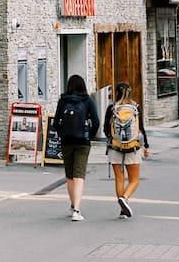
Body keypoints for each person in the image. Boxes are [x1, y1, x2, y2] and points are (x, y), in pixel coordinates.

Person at [53, 74, 100, 221]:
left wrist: (62, 134)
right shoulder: (88, 100)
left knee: (70, 176)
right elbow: (96, 122)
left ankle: (73, 205)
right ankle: (77, 210)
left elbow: (55, 122)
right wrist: (89, 136)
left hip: (66, 141)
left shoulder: (63, 100)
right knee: (79, 176)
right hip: (82, 142)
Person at [103, 82, 150, 218]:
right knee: (134, 179)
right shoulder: (135, 108)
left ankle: (123, 209)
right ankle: (125, 198)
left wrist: (113, 139)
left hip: (115, 146)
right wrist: (146, 146)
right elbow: (140, 129)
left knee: (119, 178)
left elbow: (106, 129)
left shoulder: (112, 108)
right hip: (133, 147)